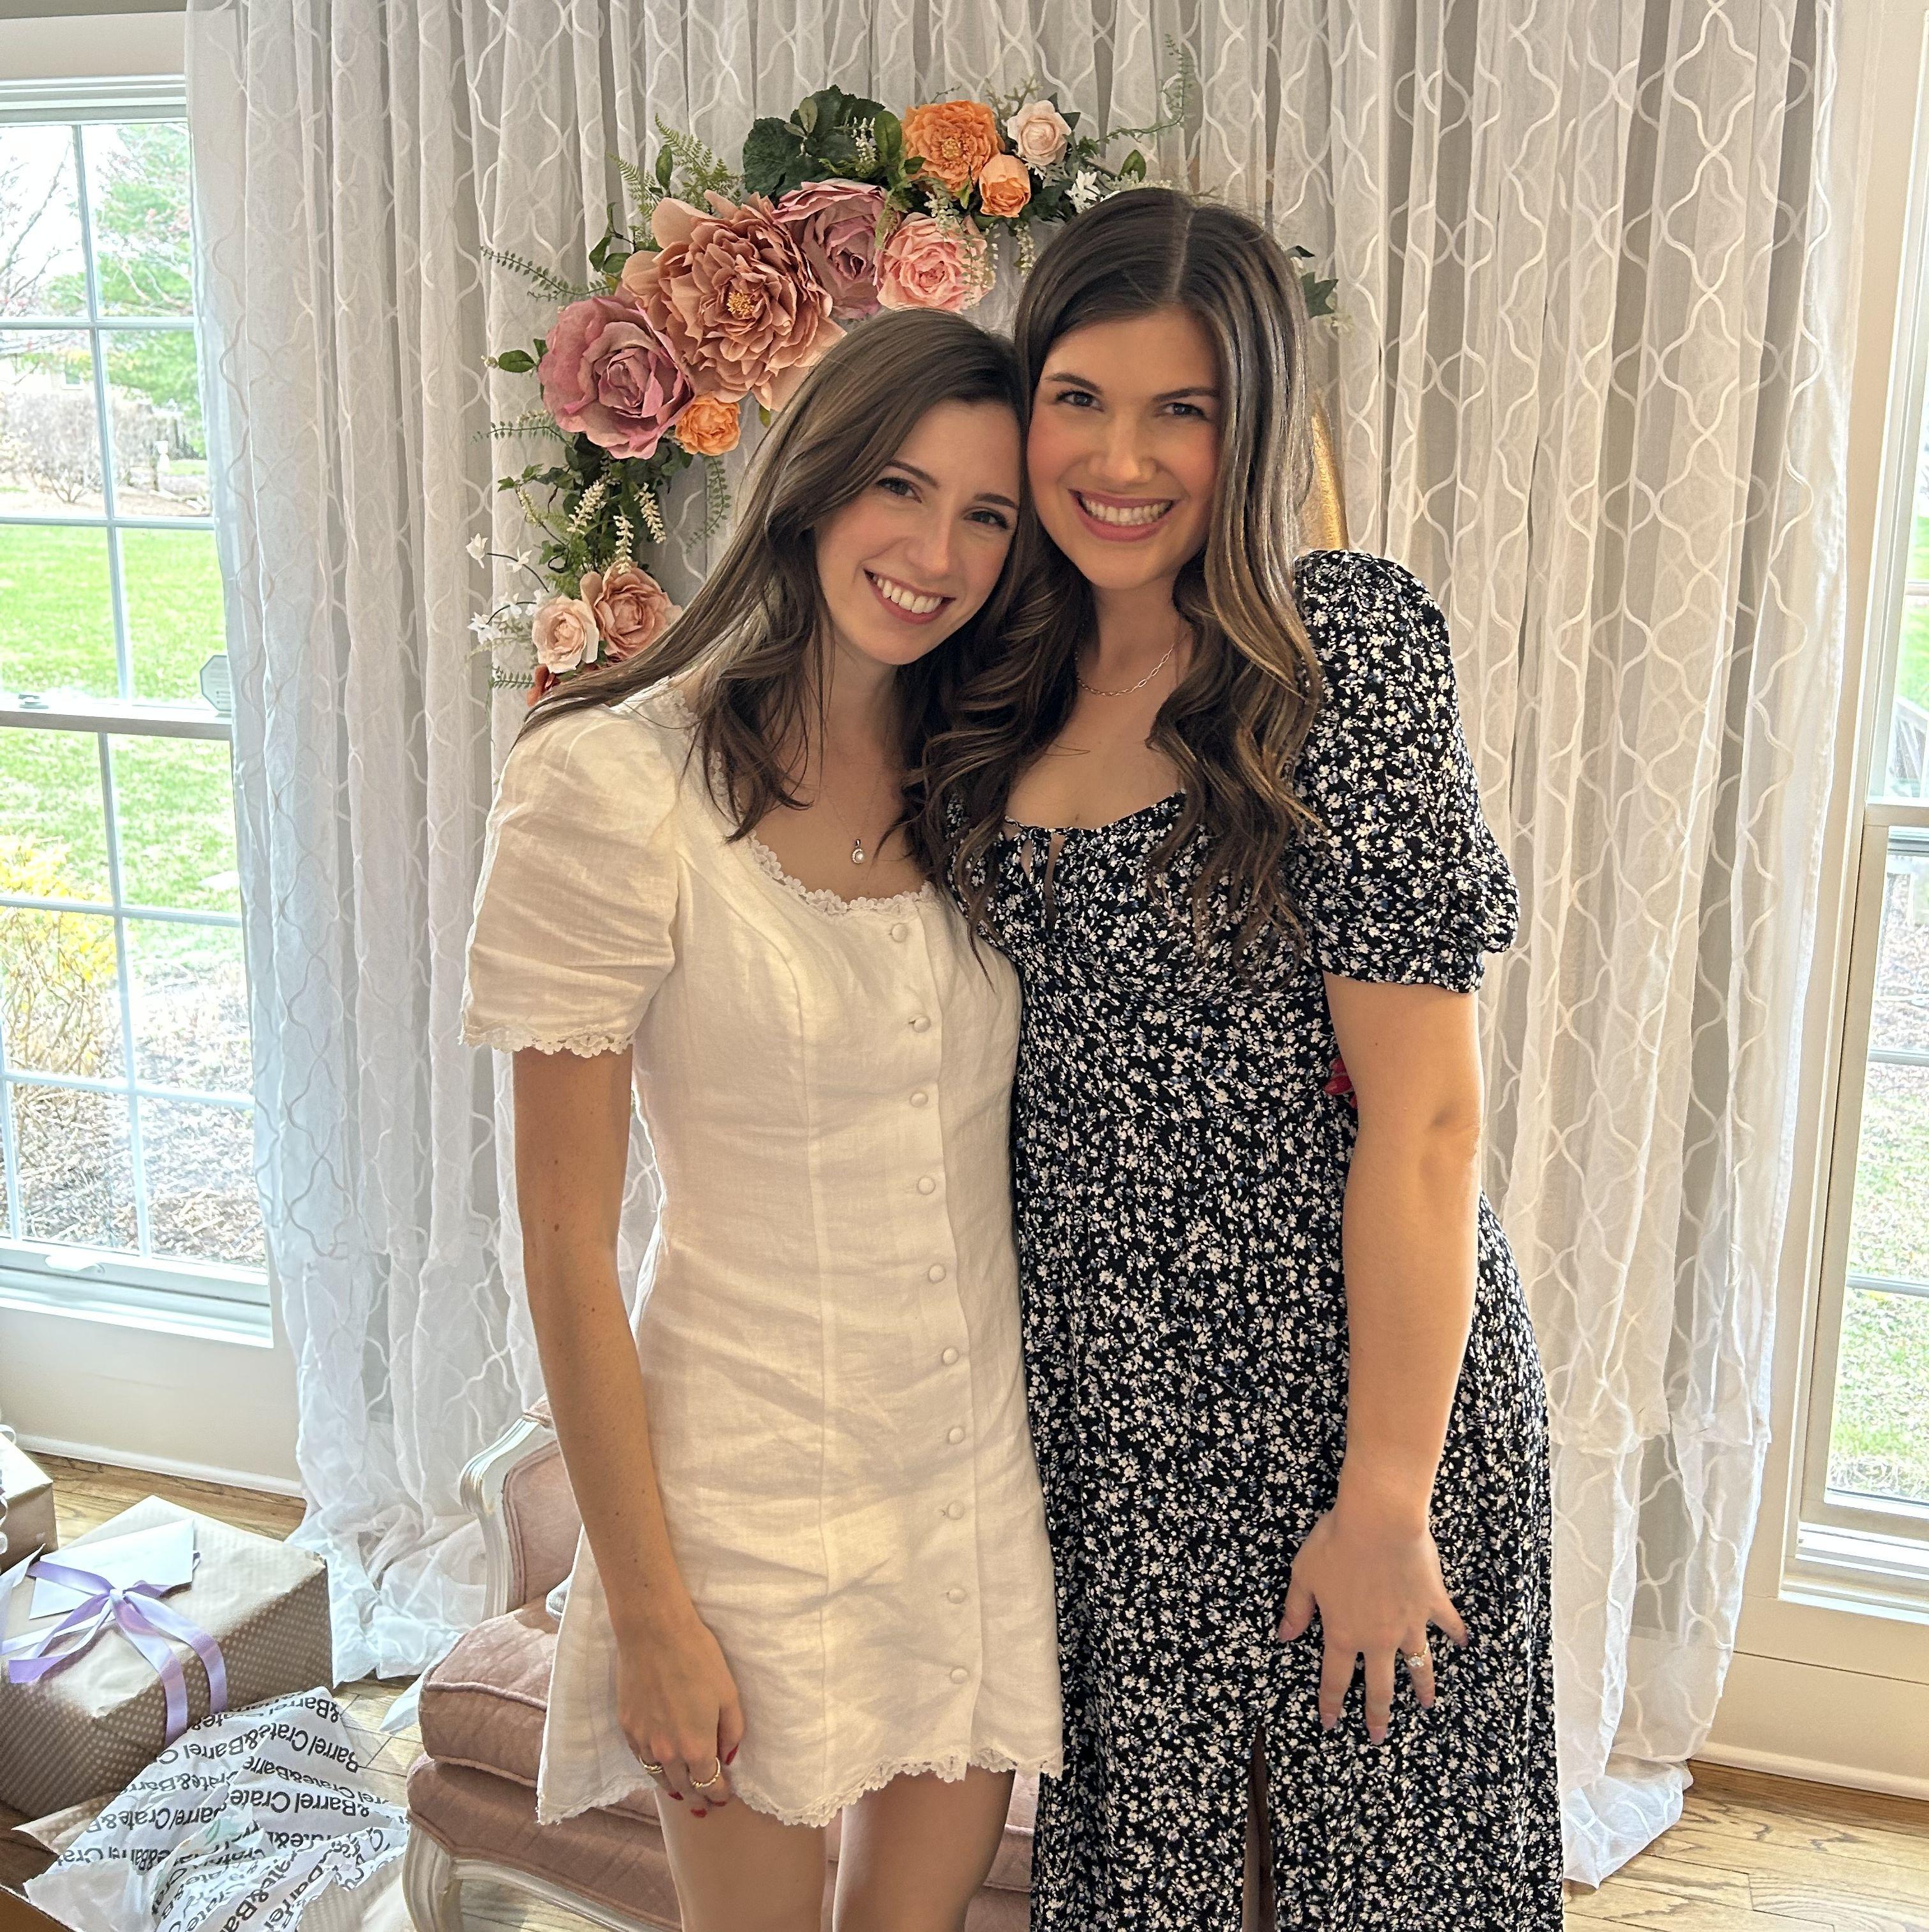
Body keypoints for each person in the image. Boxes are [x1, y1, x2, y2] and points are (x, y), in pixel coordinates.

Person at [923, 187, 1563, 1930]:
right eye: (1079, 398)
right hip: (1109, 1432)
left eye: (1182, 410)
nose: (1120, 459)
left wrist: (1386, 1496)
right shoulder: (988, 671)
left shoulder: (1335, 652)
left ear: (1254, 422)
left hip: (1344, 1397)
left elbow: (1428, 1120)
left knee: (1371, 1884)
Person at [459, 308, 1062, 1932]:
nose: (936, 555)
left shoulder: (992, 778)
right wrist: (649, 1610)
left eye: (988, 515)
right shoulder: (610, 787)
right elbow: (565, 1246)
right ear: (810, 484)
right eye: (900, 489)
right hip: (745, 1489)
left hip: (970, 1479)